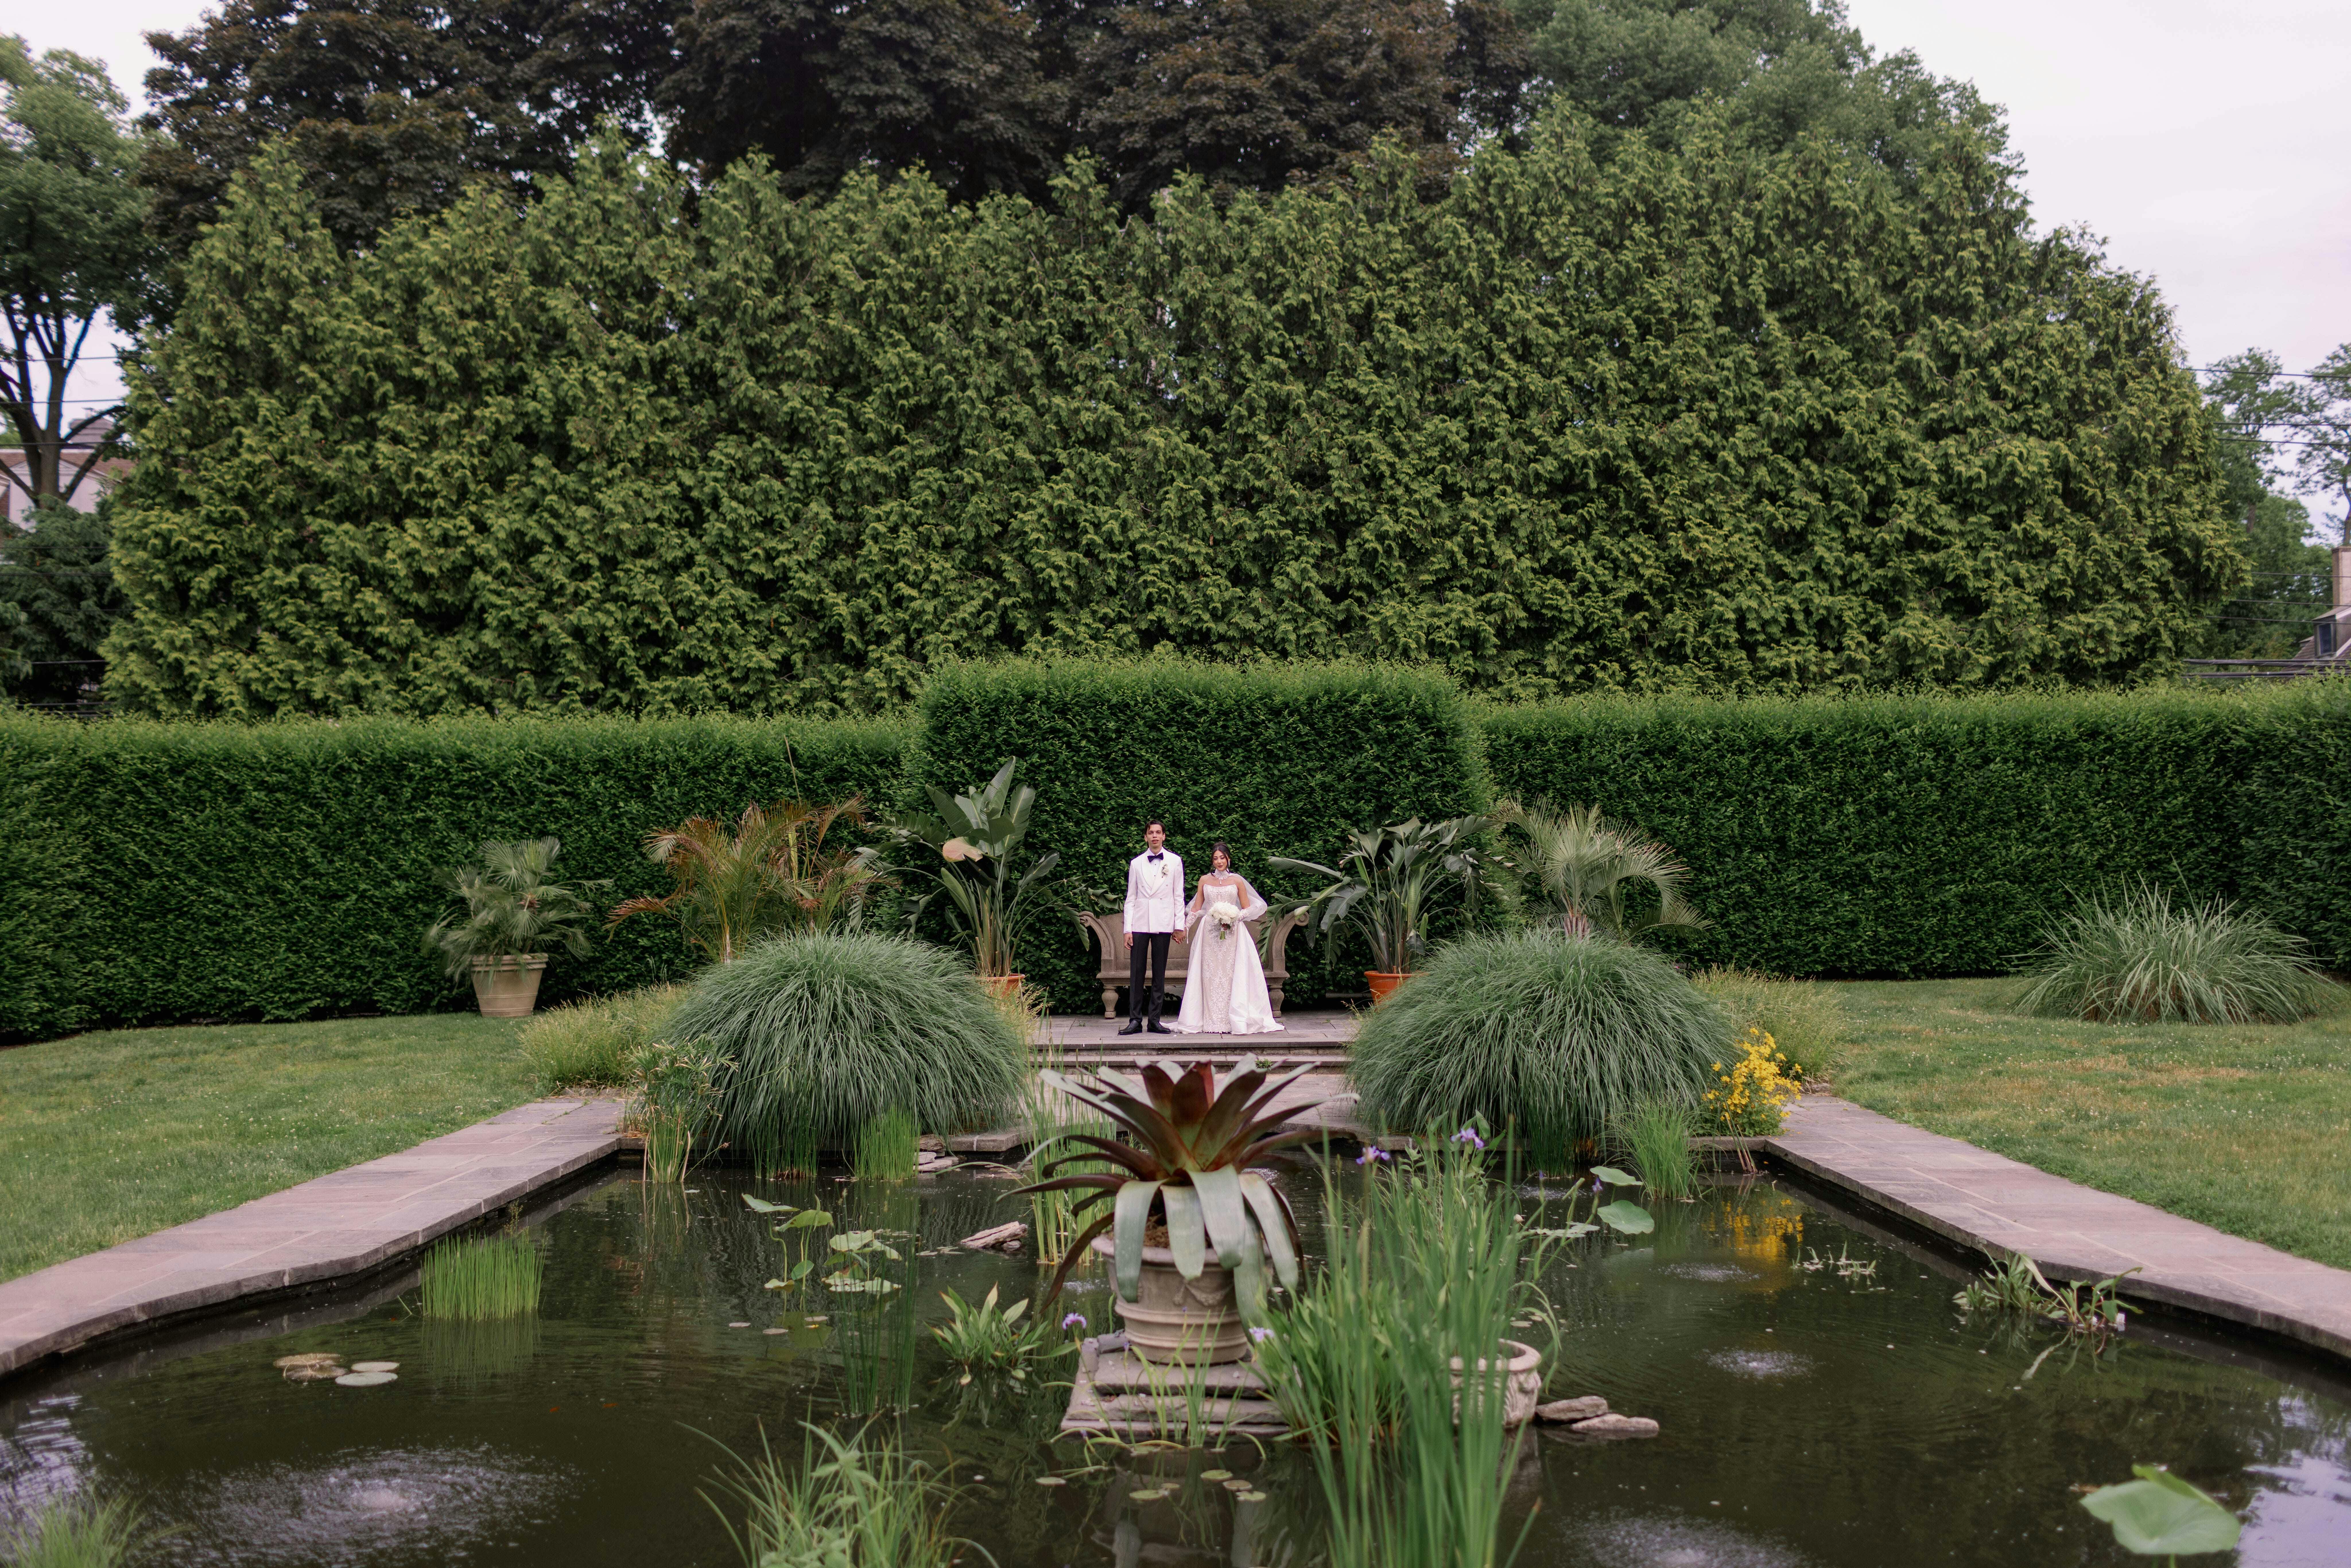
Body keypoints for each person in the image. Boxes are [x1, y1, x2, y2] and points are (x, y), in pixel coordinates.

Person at [1170, 842, 1284, 1036]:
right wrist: (1183, 928)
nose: (1219, 862)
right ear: (1212, 861)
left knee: (1232, 974)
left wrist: (1235, 917)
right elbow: (1197, 908)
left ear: (1228, 859)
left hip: (1233, 934)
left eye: (1222, 858)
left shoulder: (1237, 881)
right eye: (1215, 859)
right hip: (1210, 934)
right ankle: (1210, 1020)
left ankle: (1234, 1019)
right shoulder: (1204, 880)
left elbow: (1248, 908)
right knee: (1211, 975)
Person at [1121, 819, 1185, 1035]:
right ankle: (1135, 1020)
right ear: (1146, 837)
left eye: (1159, 833)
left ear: (1164, 836)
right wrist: (1127, 929)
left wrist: (1179, 925)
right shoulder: (1136, 863)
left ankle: (1155, 1020)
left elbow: (1179, 896)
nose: (1155, 836)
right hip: (1140, 922)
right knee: (1137, 973)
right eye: (1151, 833)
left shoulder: (1175, 861)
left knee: (1160, 973)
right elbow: (1131, 898)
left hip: (1164, 922)